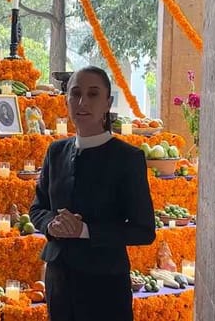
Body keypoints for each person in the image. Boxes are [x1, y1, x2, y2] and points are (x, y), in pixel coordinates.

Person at [29, 66, 156, 321]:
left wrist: (84, 231)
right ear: (66, 101)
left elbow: (144, 231)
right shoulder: (55, 152)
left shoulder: (128, 158)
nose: (82, 101)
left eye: (93, 94)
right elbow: (37, 208)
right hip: (59, 280)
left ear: (108, 103)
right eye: (75, 93)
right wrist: (51, 224)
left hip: (104, 285)